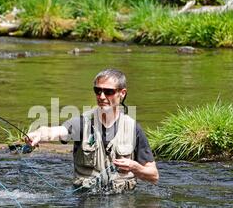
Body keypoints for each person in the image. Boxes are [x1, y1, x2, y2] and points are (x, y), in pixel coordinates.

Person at [25, 68, 159, 194]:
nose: (101, 96)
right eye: (97, 90)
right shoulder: (82, 123)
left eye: (108, 92)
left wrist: (135, 168)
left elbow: (153, 176)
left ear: (122, 93)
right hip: (86, 203)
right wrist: (38, 134)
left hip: (124, 203)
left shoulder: (133, 128)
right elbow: (57, 131)